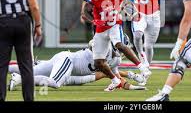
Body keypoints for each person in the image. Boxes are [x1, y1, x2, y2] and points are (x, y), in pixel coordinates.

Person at [82, 0, 151, 91]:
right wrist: (93, 21)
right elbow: (85, 12)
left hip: (115, 25)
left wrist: (134, 12)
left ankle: (142, 67)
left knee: (119, 44)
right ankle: (115, 81)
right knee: (98, 62)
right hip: (101, 30)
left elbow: (127, 3)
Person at [8, 38, 146, 91]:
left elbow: (116, 78)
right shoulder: (103, 46)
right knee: (55, 83)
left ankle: (7, 69)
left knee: (32, 70)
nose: (123, 51)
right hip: (69, 60)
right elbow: (92, 44)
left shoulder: (116, 60)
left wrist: (133, 86)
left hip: (67, 62)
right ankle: (19, 79)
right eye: (123, 48)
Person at [0, 0, 42, 101]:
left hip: (3, 23)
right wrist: (38, 25)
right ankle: (29, 99)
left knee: (1, 66)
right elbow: (34, 6)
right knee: (26, 65)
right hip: (22, 22)